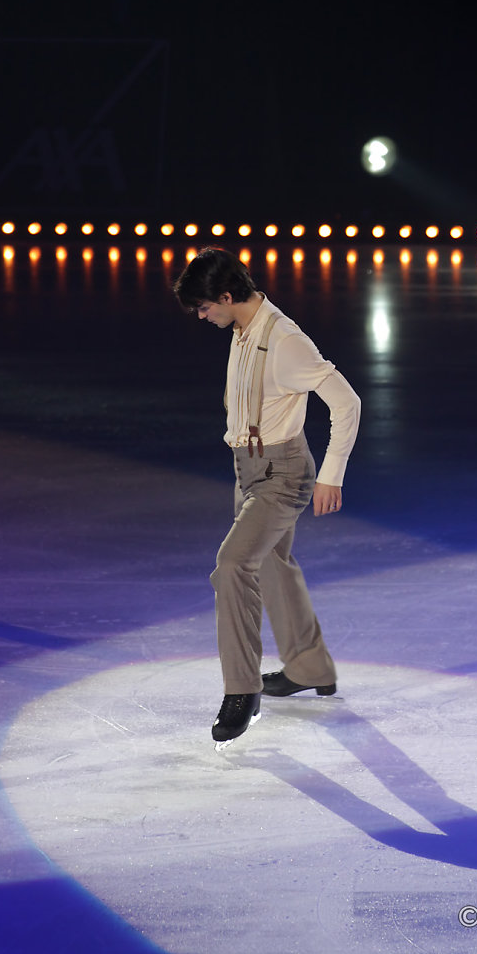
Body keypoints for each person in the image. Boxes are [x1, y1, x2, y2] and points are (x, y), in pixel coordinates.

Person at [173, 248, 361, 746]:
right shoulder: (243, 328)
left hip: (282, 475)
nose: (201, 315)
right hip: (251, 469)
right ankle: (308, 666)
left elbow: (347, 402)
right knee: (273, 563)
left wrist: (332, 475)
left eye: (204, 306)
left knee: (233, 566)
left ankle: (242, 691)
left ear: (227, 296)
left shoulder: (284, 341)